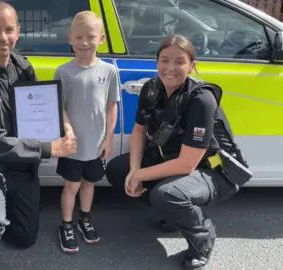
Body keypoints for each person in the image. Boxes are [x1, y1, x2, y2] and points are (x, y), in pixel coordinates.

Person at [105, 35, 250, 270]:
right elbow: (140, 131)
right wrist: (133, 170)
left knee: (167, 194)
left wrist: (140, 176)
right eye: (164, 60)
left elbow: (186, 165)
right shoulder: (152, 88)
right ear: (157, 62)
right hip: (173, 161)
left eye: (179, 62)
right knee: (118, 170)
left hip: (216, 172)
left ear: (191, 66)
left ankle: (203, 238)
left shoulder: (201, 99)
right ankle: (174, 214)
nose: (170, 68)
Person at [0, 2, 77, 270]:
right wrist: (49, 148)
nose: (3, 37)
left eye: (9, 29)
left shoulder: (23, 67)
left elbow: (38, 110)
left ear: (18, 32)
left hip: (20, 167)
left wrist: (62, 124)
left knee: (24, 238)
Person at [54, 11, 119, 254]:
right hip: (72, 145)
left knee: (89, 184)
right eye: (78, 37)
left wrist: (109, 138)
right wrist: (68, 129)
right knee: (71, 185)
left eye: (90, 37)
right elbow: (59, 107)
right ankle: (67, 224)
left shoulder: (109, 71)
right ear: (70, 39)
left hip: (96, 144)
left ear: (101, 38)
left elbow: (111, 106)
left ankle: (85, 218)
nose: (84, 42)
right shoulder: (63, 72)